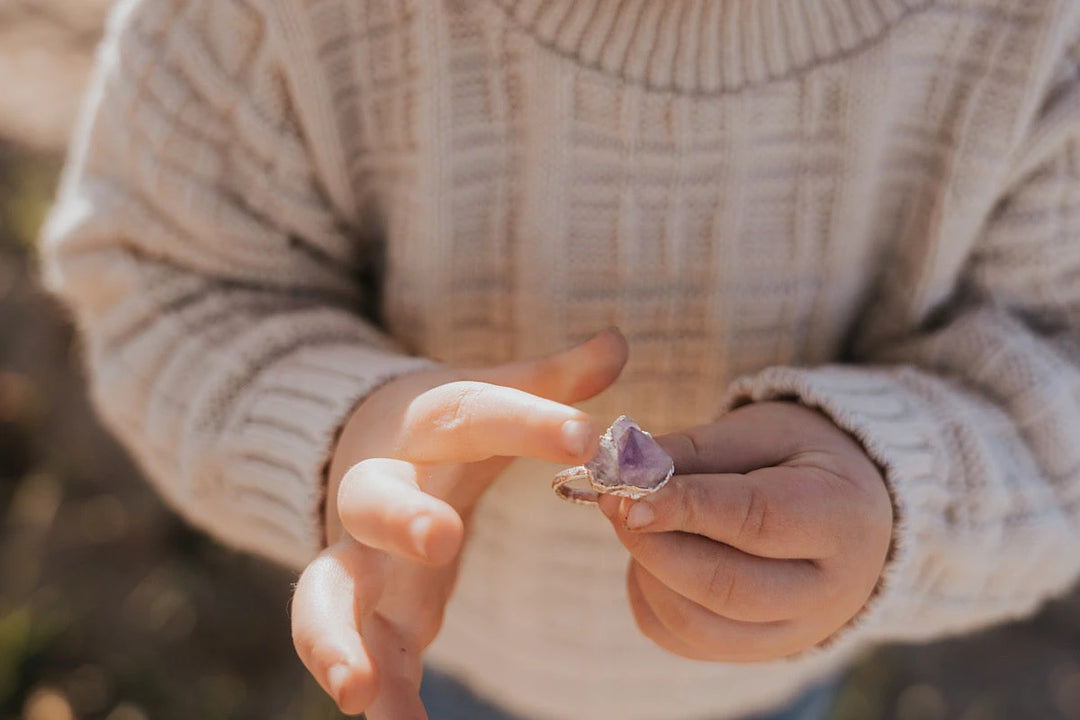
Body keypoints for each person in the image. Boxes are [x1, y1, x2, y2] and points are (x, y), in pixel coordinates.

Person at [41, 0, 1080, 718]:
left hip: (764, 681)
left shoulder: (1039, 40)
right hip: (459, 651)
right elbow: (159, 282)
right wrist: (337, 430)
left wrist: (905, 489)